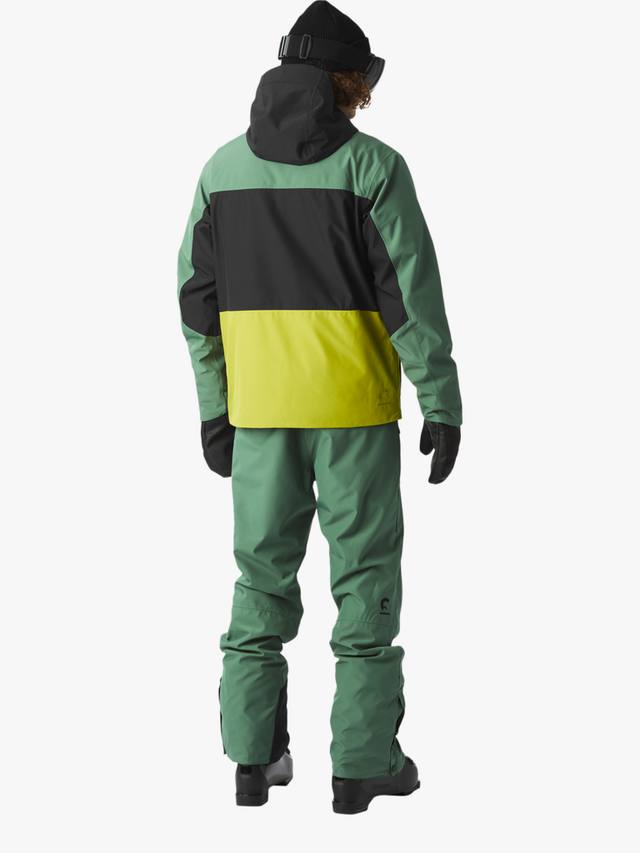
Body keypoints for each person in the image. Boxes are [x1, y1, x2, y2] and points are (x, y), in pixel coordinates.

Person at [177, 1, 462, 814]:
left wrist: (215, 410)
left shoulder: (222, 171)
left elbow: (196, 303)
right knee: (364, 583)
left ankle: (253, 759)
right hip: (353, 415)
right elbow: (411, 296)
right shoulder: (373, 168)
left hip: (260, 417)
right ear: (347, 82)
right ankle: (362, 765)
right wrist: (441, 400)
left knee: (260, 580)